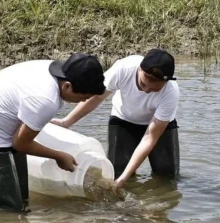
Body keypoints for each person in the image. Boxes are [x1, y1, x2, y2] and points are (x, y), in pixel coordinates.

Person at [0, 53, 106, 211]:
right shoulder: (46, 100)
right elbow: (21, 144)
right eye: (82, 97)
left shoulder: (57, 71)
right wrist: (59, 156)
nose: (83, 102)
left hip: (8, 126)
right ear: (67, 86)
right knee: (8, 208)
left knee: (22, 198)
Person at [51, 48, 180, 190]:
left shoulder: (170, 92)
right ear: (139, 70)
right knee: (117, 172)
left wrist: (123, 179)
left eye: (154, 89)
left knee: (167, 177)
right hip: (123, 120)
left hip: (159, 126)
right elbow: (97, 96)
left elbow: (150, 137)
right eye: (143, 84)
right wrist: (66, 121)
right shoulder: (124, 69)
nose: (147, 91)